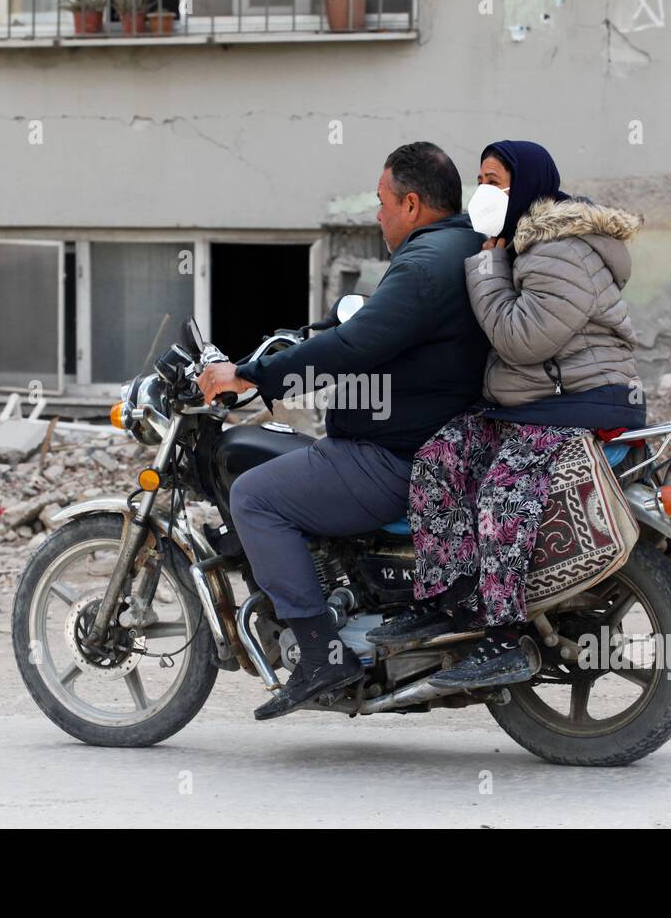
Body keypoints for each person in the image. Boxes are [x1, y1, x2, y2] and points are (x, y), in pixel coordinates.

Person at [196, 142, 491, 720]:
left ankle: (320, 653)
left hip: (394, 455)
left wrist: (251, 376)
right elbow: (371, 333)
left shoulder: (425, 264)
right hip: (429, 443)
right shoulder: (456, 247)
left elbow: (356, 344)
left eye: (382, 203)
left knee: (253, 496)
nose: (377, 215)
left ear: (410, 203)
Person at [367, 140, 646, 690]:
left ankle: (503, 639)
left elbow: (520, 340)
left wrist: (488, 263)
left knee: (501, 494)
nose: (485, 192)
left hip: (579, 403)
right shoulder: (523, 245)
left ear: (529, 184)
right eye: (481, 180)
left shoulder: (560, 249)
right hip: (535, 404)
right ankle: (447, 602)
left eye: (496, 180)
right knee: (439, 458)